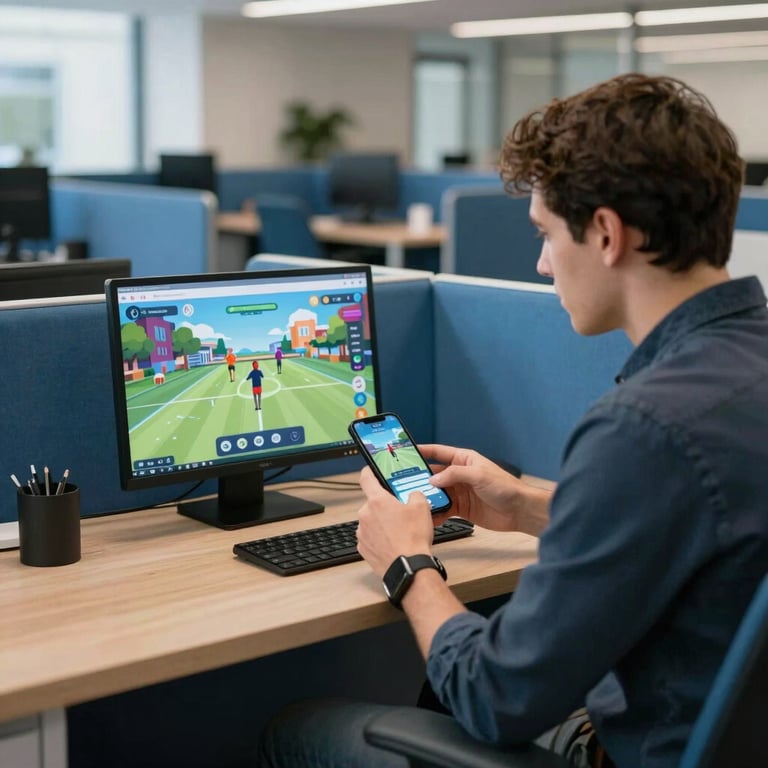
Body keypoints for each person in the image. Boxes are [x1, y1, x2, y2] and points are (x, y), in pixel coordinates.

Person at [257, 74, 768, 768]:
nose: (539, 262)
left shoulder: (645, 427)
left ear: (607, 234)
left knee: (300, 729)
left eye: (546, 233)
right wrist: (528, 505)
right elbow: (703, 531)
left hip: (635, 750)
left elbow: (495, 697)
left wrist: (407, 563)